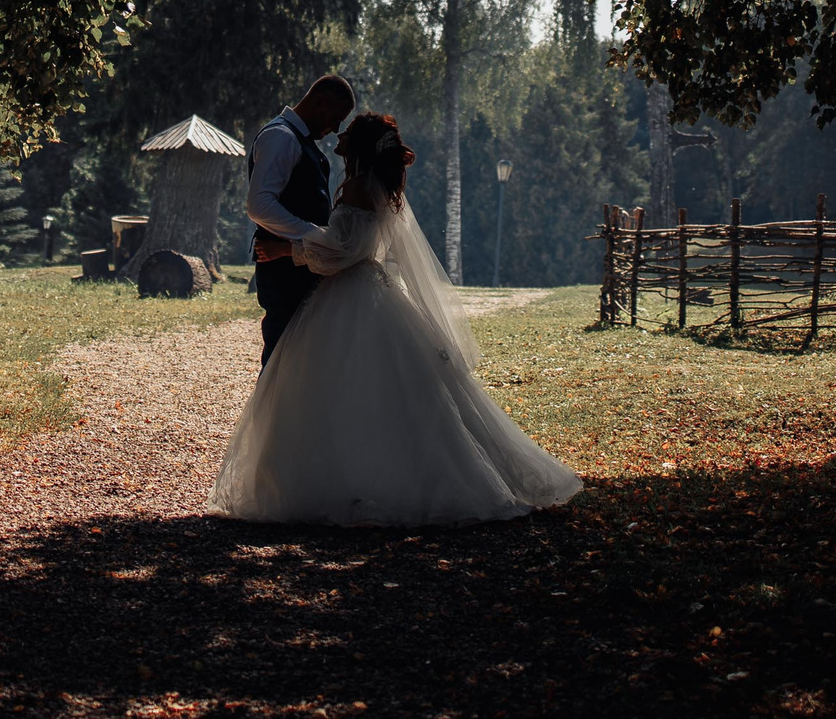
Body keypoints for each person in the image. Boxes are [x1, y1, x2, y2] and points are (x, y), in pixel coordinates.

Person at [209, 112, 585, 526]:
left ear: (361, 146)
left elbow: (342, 251)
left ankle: (352, 483)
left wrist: (288, 251)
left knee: (342, 388)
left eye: (348, 133)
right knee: (393, 394)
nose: (340, 136)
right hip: (374, 291)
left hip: (351, 292)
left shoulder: (355, 188)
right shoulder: (385, 191)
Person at [246, 74, 355, 366]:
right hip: (284, 274)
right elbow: (259, 205)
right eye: (336, 117)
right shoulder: (281, 136)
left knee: (300, 363)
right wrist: (314, 235)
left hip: (299, 268)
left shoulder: (297, 140)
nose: (336, 129)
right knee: (282, 360)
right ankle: (272, 412)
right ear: (319, 102)